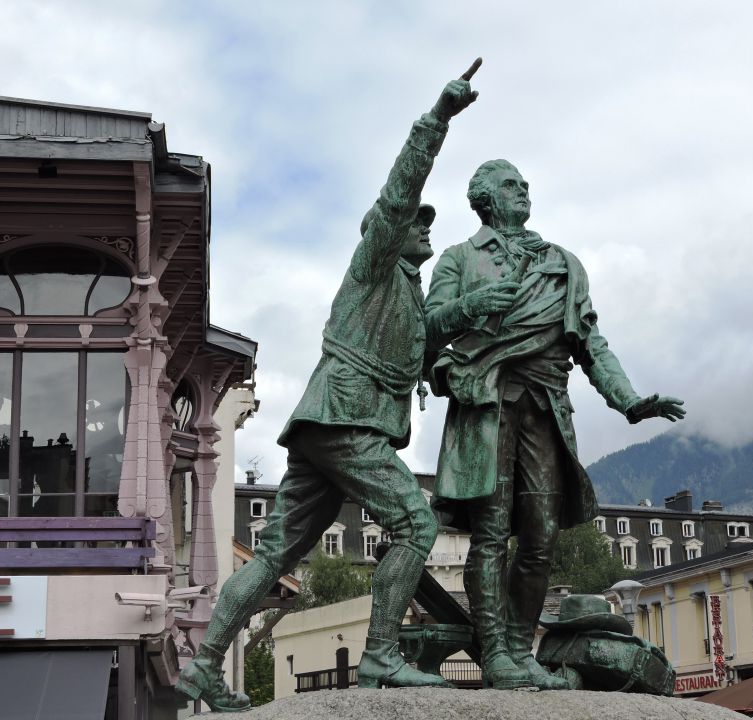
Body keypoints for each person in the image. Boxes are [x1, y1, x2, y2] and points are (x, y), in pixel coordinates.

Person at [175, 69, 479, 711]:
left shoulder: (406, 293)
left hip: (329, 429)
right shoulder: (373, 266)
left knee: (272, 555)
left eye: (427, 224)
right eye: (415, 223)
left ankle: (202, 667)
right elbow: (401, 190)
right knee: (415, 522)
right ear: (390, 229)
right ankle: (381, 655)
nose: (425, 228)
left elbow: (427, 342)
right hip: (346, 421)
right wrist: (438, 119)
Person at [424, 159, 685, 690]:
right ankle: (496, 653)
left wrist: (630, 400)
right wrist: (473, 306)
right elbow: (425, 331)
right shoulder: (457, 260)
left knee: (541, 536)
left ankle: (522, 650)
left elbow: (590, 341)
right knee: (492, 533)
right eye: (510, 185)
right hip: (486, 404)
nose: (524, 192)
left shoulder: (562, 265)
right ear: (484, 199)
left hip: (545, 406)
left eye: (525, 185)